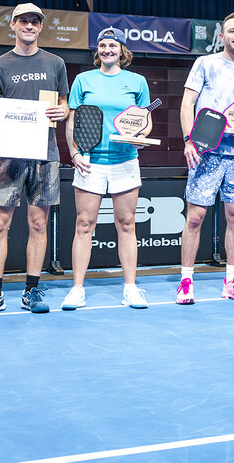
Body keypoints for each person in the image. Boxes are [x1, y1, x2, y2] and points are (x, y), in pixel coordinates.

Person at [0, 3, 70, 315]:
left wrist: (63, 110)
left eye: (34, 22)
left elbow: (64, 102)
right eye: (23, 21)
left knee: (38, 223)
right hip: (9, 157)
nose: (29, 26)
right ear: (12, 25)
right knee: (0, 224)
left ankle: (32, 291)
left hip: (45, 155)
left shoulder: (56, 63)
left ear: (40, 27)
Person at [177, 13, 234, 304]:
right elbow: (187, 103)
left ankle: (231, 281)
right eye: (232, 31)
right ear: (222, 36)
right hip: (205, 151)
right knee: (195, 217)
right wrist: (188, 140)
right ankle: (186, 281)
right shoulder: (205, 63)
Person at [62, 27, 151, 310]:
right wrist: (75, 153)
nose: (107, 50)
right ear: (97, 50)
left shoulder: (137, 82)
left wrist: (141, 136)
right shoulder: (83, 80)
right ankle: (77, 289)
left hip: (125, 161)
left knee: (126, 224)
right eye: (102, 45)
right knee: (84, 224)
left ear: (122, 50)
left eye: (112, 45)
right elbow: (72, 121)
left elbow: (145, 121)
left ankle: (130, 288)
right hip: (91, 162)